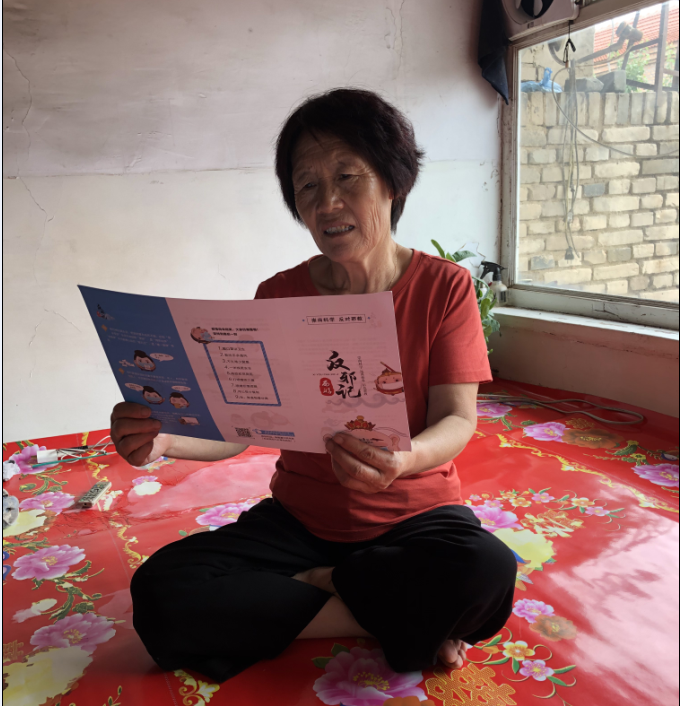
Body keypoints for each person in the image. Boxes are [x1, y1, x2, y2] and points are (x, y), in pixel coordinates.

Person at [112, 88, 516, 684]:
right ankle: (384, 614)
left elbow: (457, 418)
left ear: (393, 182)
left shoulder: (444, 288)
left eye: (347, 177)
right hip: (300, 522)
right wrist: (164, 440)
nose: (327, 202)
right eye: (307, 185)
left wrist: (404, 459)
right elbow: (242, 429)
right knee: (160, 590)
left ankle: (321, 592)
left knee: (486, 573)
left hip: (416, 516)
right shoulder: (278, 295)